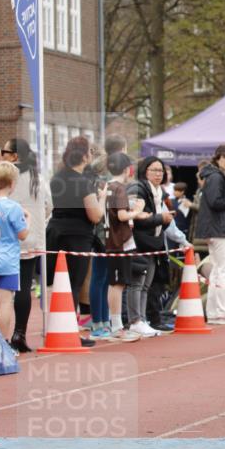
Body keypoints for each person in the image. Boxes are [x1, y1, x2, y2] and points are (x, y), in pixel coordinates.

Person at [0, 137, 51, 352]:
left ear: (14, 156)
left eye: (4, 151)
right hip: (27, 240)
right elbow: (49, 205)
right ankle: (18, 334)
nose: (0, 154)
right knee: (21, 289)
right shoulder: (37, 178)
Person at [46, 136, 106, 348]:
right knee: (73, 284)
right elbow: (95, 216)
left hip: (55, 232)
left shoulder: (57, 178)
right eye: (89, 151)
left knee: (56, 283)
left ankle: (54, 327)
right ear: (83, 156)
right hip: (77, 236)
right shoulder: (83, 182)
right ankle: (68, 331)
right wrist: (103, 198)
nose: (91, 155)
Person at [196, 144, 225, 325]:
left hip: (215, 229)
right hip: (220, 229)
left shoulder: (212, 176)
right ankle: (223, 312)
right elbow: (216, 202)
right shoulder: (216, 177)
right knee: (224, 271)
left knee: (217, 272)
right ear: (217, 158)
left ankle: (215, 312)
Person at [128, 156, 175, 336]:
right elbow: (136, 217)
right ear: (144, 170)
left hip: (154, 243)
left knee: (146, 285)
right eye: (154, 170)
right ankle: (135, 320)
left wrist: (165, 220)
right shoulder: (138, 188)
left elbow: (154, 218)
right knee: (137, 283)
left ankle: (142, 319)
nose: (158, 174)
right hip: (140, 242)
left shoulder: (159, 192)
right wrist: (160, 218)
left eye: (161, 170)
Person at [104, 152, 146, 342]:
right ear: (127, 169)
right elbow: (121, 216)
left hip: (112, 239)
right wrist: (136, 211)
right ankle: (117, 326)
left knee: (116, 283)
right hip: (119, 242)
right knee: (117, 284)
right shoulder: (119, 188)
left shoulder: (108, 186)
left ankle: (116, 324)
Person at [0, 161, 29, 344]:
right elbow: (23, 234)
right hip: (8, 263)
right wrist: (28, 218)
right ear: (12, 184)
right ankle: (3, 343)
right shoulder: (13, 207)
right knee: (5, 303)